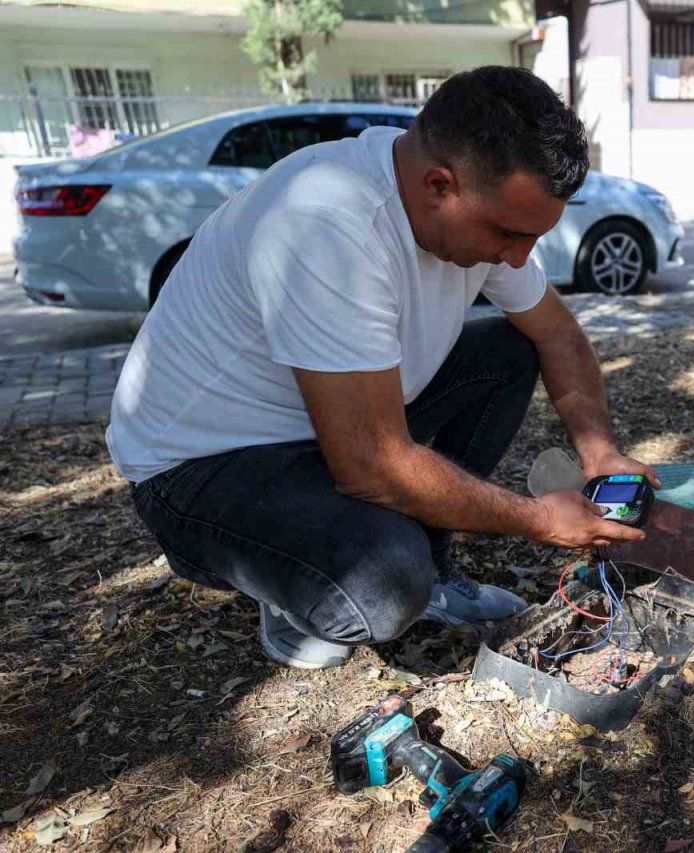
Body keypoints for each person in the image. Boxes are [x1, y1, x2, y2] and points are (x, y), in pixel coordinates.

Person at [107, 66, 660, 670]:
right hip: (198, 469)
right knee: (387, 587)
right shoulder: (329, 223)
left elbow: (557, 334)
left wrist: (601, 451)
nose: (519, 256)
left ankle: (431, 561)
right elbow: (371, 465)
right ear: (439, 185)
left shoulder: (469, 211)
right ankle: (291, 582)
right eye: (508, 233)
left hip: (322, 424)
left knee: (509, 349)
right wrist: (537, 520)